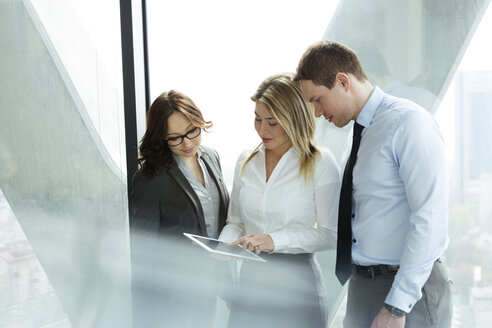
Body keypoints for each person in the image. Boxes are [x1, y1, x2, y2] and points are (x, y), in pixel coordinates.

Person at [294, 40, 452, 328]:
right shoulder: (359, 135)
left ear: (342, 81)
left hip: (407, 290)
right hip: (363, 286)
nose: (316, 112)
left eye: (317, 99)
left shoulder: (409, 122)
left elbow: (431, 219)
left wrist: (396, 306)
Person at [219, 73, 341, 328]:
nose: (262, 129)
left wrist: (274, 240)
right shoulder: (245, 160)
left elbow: (331, 234)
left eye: (272, 122)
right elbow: (236, 222)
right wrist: (222, 245)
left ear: (295, 119)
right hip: (251, 284)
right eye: (258, 119)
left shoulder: (321, 162)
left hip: (297, 287)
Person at [130, 90, 230, 328]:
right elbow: (142, 252)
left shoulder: (211, 157)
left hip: (213, 287)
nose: (187, 143)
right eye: (174, 138)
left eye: (192, 131)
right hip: (173, 299)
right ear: (161, 138)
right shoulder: (150, 179)